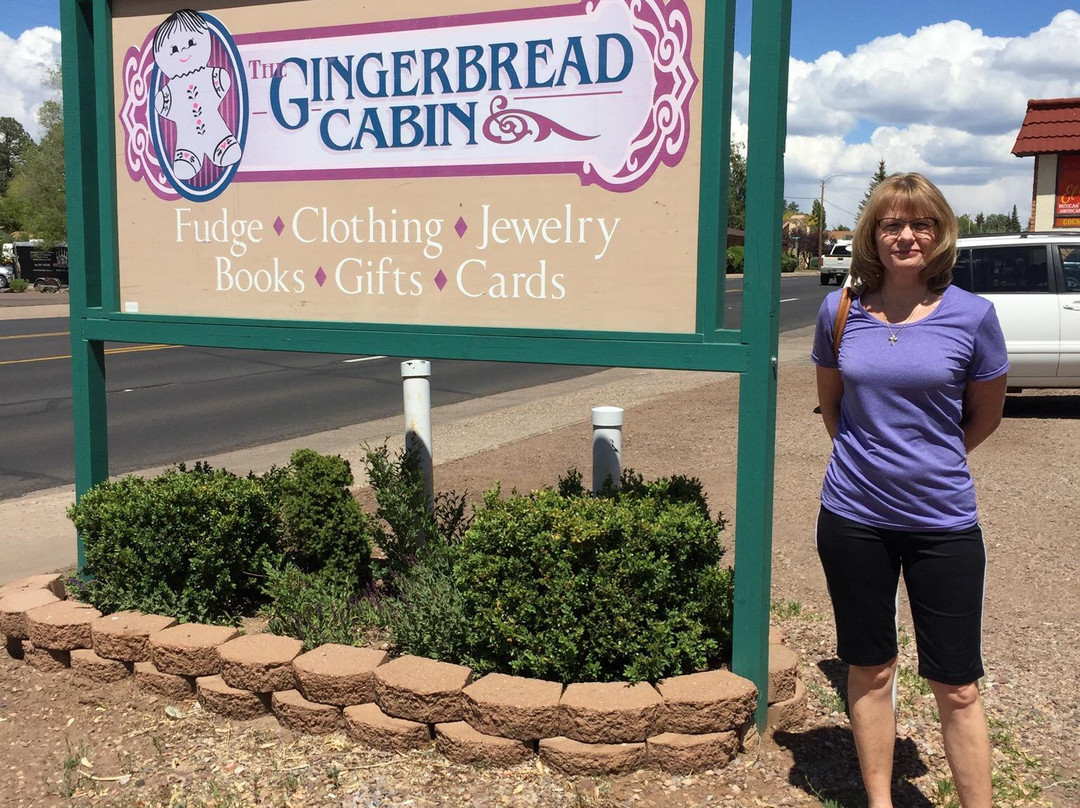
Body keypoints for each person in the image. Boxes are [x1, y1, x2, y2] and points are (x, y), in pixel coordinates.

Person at [811, 173, 1009, 808]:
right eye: (892, 224)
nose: (906, 236)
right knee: (870, 669)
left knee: (958, 685)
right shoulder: (839, 312)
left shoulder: (973, 316)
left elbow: (985, 417)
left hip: (943, 523)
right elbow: (834, 411)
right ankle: (880, 801)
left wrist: (929, 461)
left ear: (941, 232)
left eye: (921, 223)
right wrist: (873, 462)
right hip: (853, 517)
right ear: (872, 234)